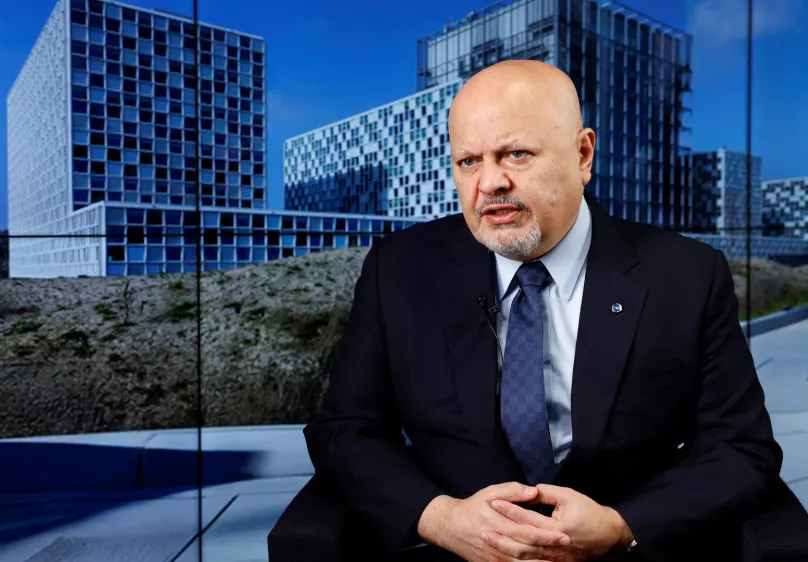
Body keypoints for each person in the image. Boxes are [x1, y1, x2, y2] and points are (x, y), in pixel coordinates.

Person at [302, 60, 782, 562]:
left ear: (582, 154)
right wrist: (441, 518)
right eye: (469, 161)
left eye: (515, 154)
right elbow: (343, 431)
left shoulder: (687, 276)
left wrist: (622, 527)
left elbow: (741, 449)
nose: (489, 182)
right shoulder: (398, 268)